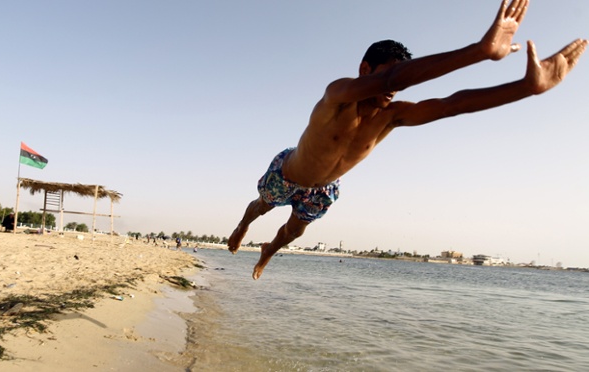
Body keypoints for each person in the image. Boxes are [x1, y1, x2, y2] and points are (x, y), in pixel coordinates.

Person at [228, 0, 587, 280]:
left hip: (323, 188)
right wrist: (479, 52)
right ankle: (244, 226)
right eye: (390, 75)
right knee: (260, 206)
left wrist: (525, 88)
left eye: (400, 81)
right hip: (289, 172)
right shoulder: (337, 96)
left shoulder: (391, 116)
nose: (396, 87)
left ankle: (268, 252)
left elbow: (452, 105)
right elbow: (392, 79)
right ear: (365, 69)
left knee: (293, 232)